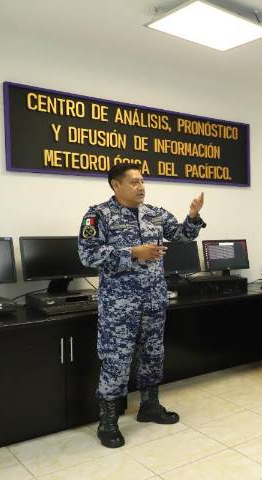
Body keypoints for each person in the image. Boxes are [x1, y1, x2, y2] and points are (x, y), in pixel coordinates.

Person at [78, 163, 205, 448]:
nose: (141, 187)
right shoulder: (98, 215)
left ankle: (150, 406)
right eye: (134, 182)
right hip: (119, 305)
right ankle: (108, 422)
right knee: (117, 360)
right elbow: (88, 255)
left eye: (143, 181)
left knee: (153, 354)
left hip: (154, 300)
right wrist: (133, 253)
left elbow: (183, 235)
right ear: (116, 185)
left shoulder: (155, 214)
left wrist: (192, 216)